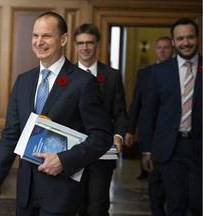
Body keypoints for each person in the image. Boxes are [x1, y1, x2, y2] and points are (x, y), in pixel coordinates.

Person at [0, 12, 114, 216]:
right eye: (35, 36)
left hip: (62, 194)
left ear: (63, 40)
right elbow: (11, 133)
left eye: (46, 36)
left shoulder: (83, 82)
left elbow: (102, 137)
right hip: (26, 192)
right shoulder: (23, 81)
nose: (39, 42)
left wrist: (64, 160)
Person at [139, 18, 202, 216]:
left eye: (190, 37)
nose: (186, 42)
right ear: (174, 41)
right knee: (175, 205)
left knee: (199, 205)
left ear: (197, 38)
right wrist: (146, 150)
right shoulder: (159, 72)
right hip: (170, 150)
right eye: (180, 38)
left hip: (199, 149)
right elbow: (149, 112)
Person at [73, 23, 128, 216]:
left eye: (89, 43)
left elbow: (120, 112)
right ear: (75, 45)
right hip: (73, 152)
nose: (85, 47)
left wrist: (118, 136)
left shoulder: (112, 76)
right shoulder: (66, 75)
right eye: (80, 43)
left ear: (97, 44)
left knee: (97, 208)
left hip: (103, 153)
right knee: (75, 206)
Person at [124, 36, 174, 215]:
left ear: (173, 49)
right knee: (154, 181)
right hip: (151, 133)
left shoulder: (181, 72)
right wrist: (130, 130)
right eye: (159, 47)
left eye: (166, 47)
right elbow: (136, 102)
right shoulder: (146, 73)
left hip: (173, 133)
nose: (162, 50)